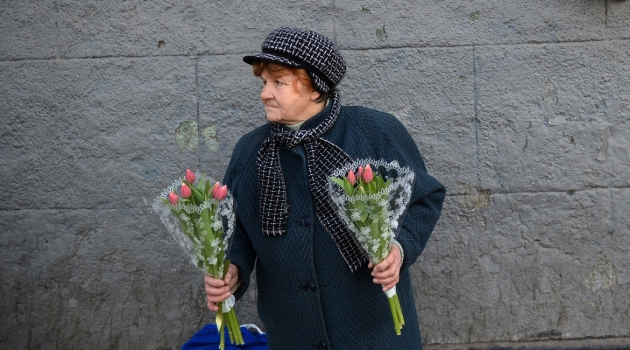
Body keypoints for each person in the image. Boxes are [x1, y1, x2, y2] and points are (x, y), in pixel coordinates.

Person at [204, 27, 445, 350]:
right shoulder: (251, 152)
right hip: (293, 333)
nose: (265, 93)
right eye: (264, 83)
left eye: (279, 82)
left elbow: (424, 199)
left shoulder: (375, 133)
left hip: (375, 329)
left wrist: (400, 249)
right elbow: (238, 230)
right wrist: (232, 268)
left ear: (316, 87)